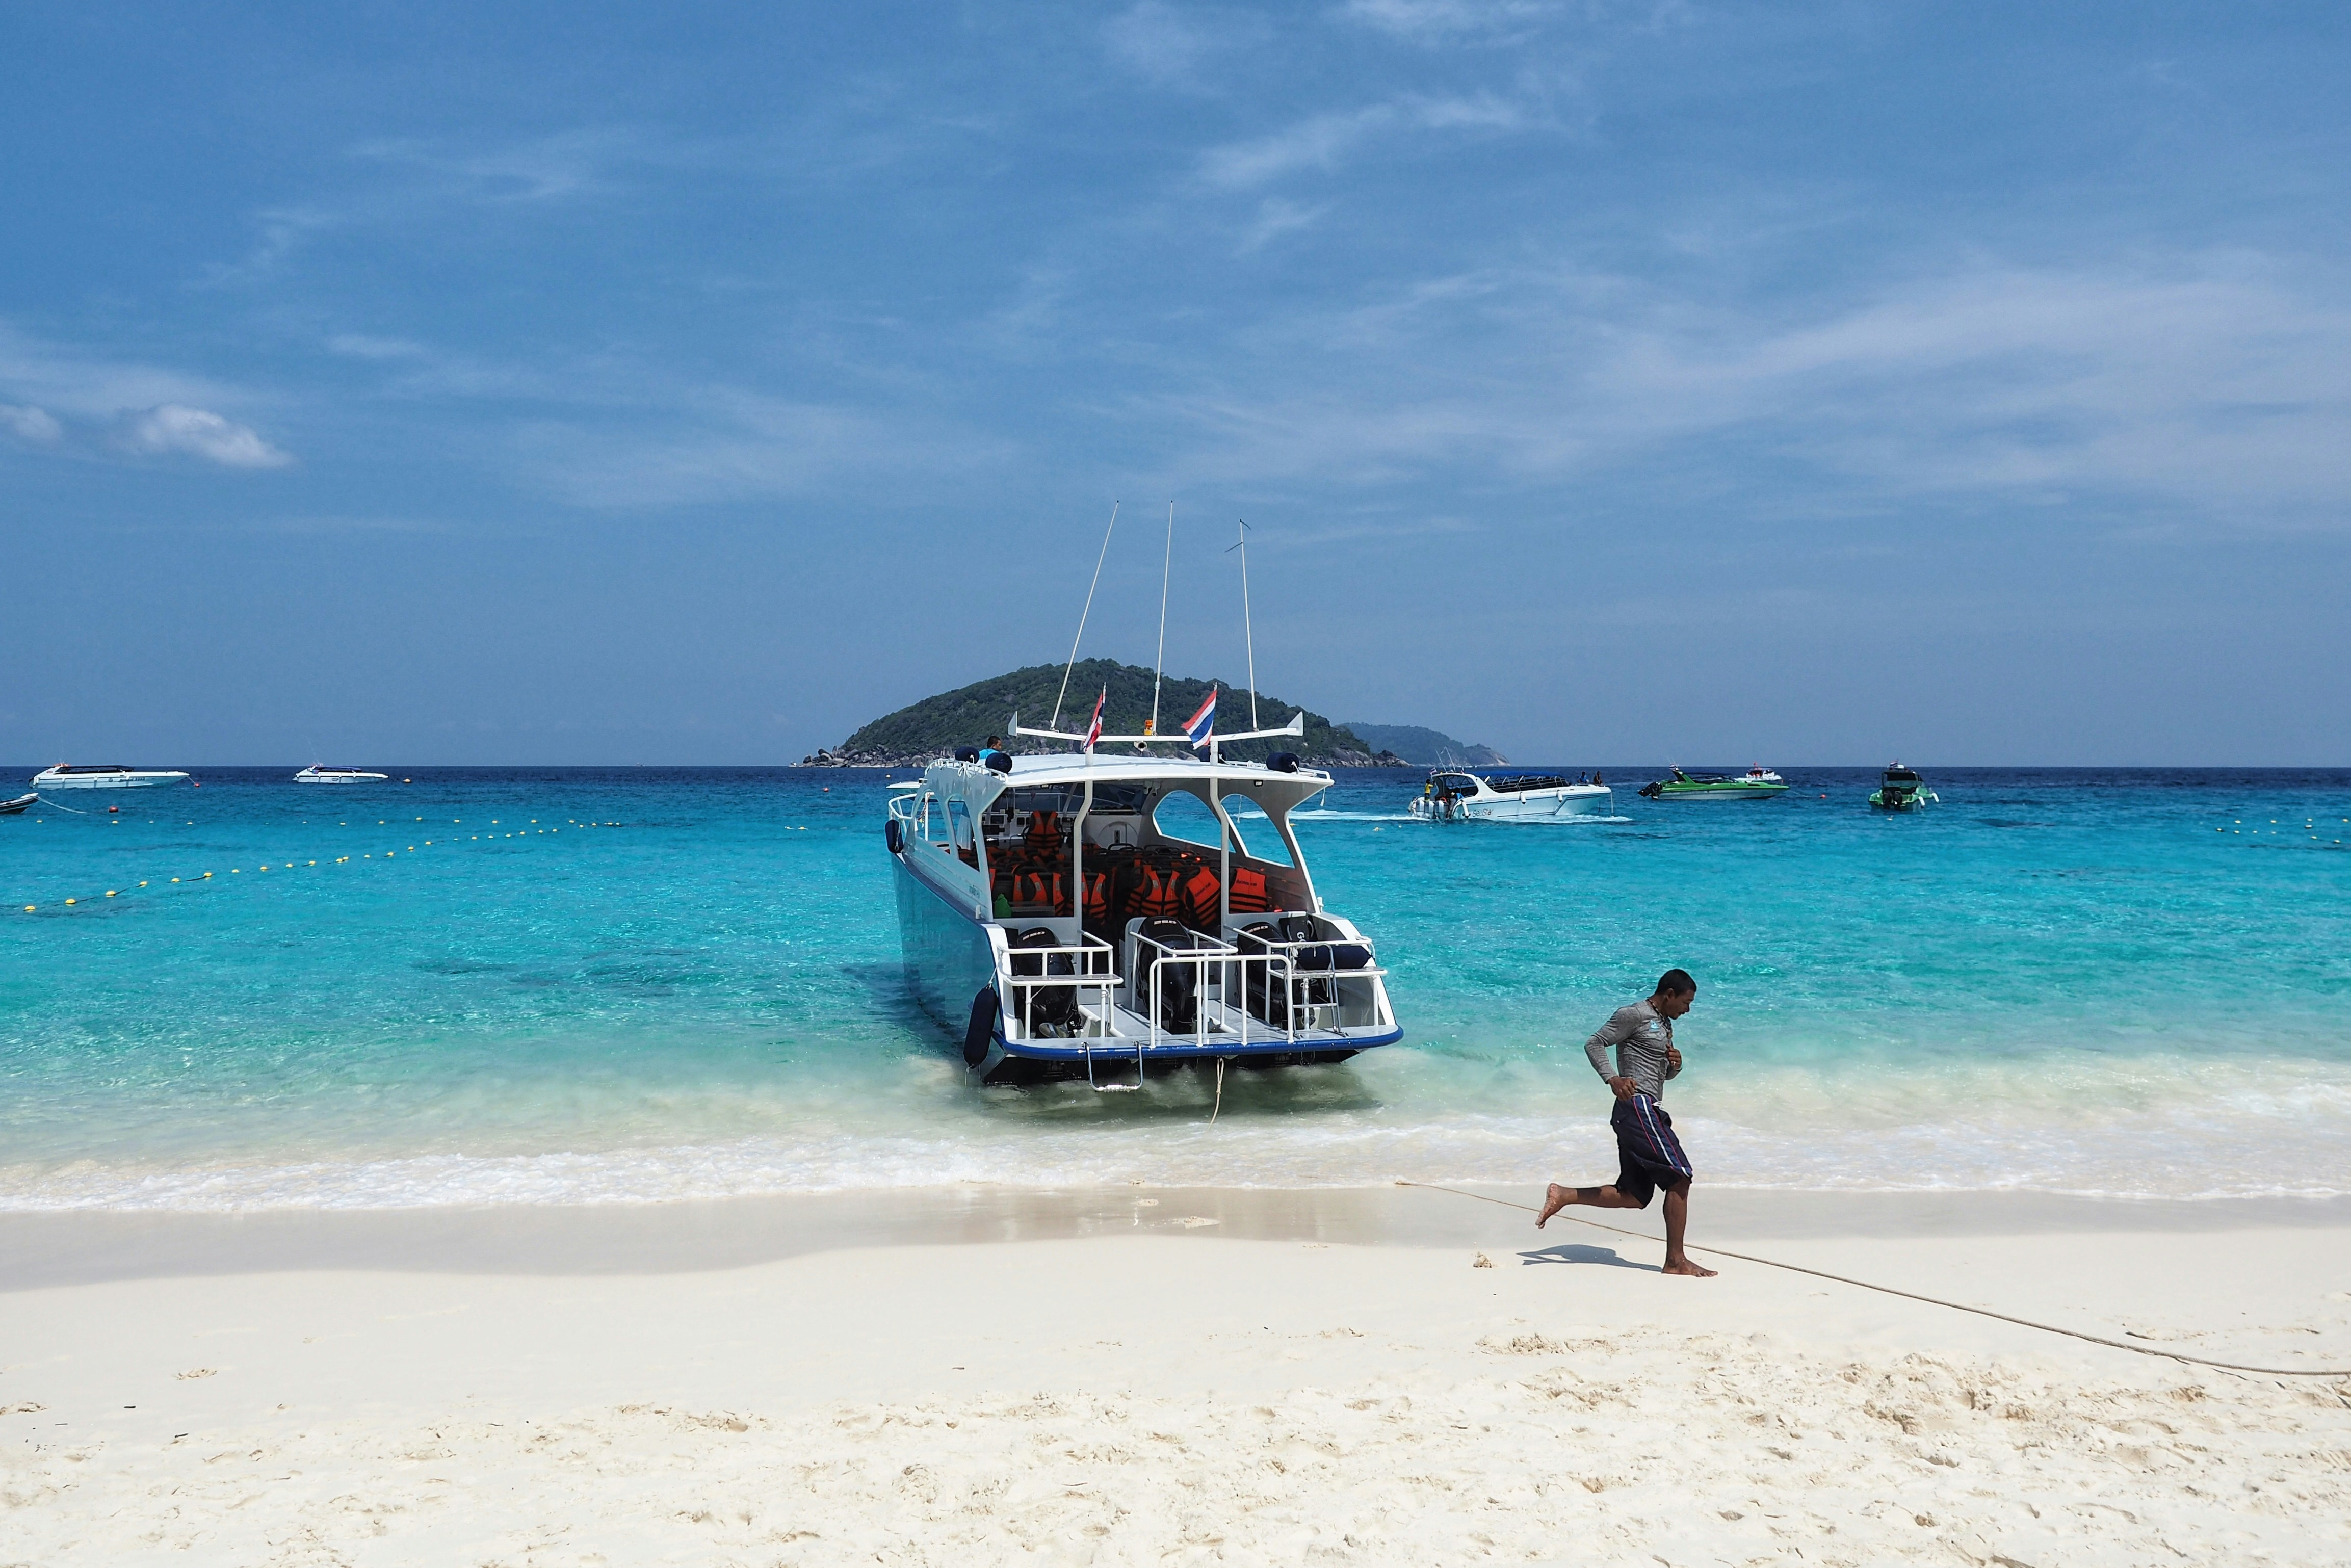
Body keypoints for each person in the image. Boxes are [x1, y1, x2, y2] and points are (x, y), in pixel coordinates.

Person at [1535, 969, 1717, 1277]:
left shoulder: (1664, 1023)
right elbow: (1594, 1043)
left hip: (1644, 1109)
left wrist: (1675, 1067)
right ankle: (1675, 1261)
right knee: (1680, 1177)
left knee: (1635, 1195)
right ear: (1669, 994)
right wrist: (1613, 1079)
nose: (1688, 1010)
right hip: (1638, 1107)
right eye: (1687, 1002)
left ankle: (1564, 1195)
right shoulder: (1634, 1014)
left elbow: (1658, 1075)